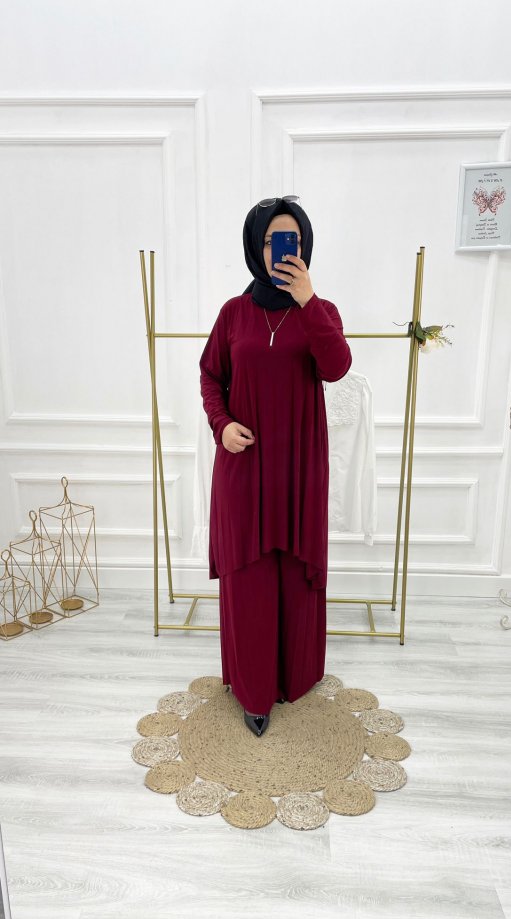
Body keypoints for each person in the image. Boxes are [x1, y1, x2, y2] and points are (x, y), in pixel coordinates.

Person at [199, 197, 352, 737]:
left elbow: (336, 367)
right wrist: (221, 425)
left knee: (293, 572)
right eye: (270, 241)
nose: (280, 251)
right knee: (251, 579)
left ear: (305, 247)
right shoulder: (233, 313)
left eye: (291, 241)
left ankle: (296, 677)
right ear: (254, 246)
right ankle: (255, 690)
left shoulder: (321, 310)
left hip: (299, 468)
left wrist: (307, 301)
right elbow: (210, 376)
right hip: (243, 467)